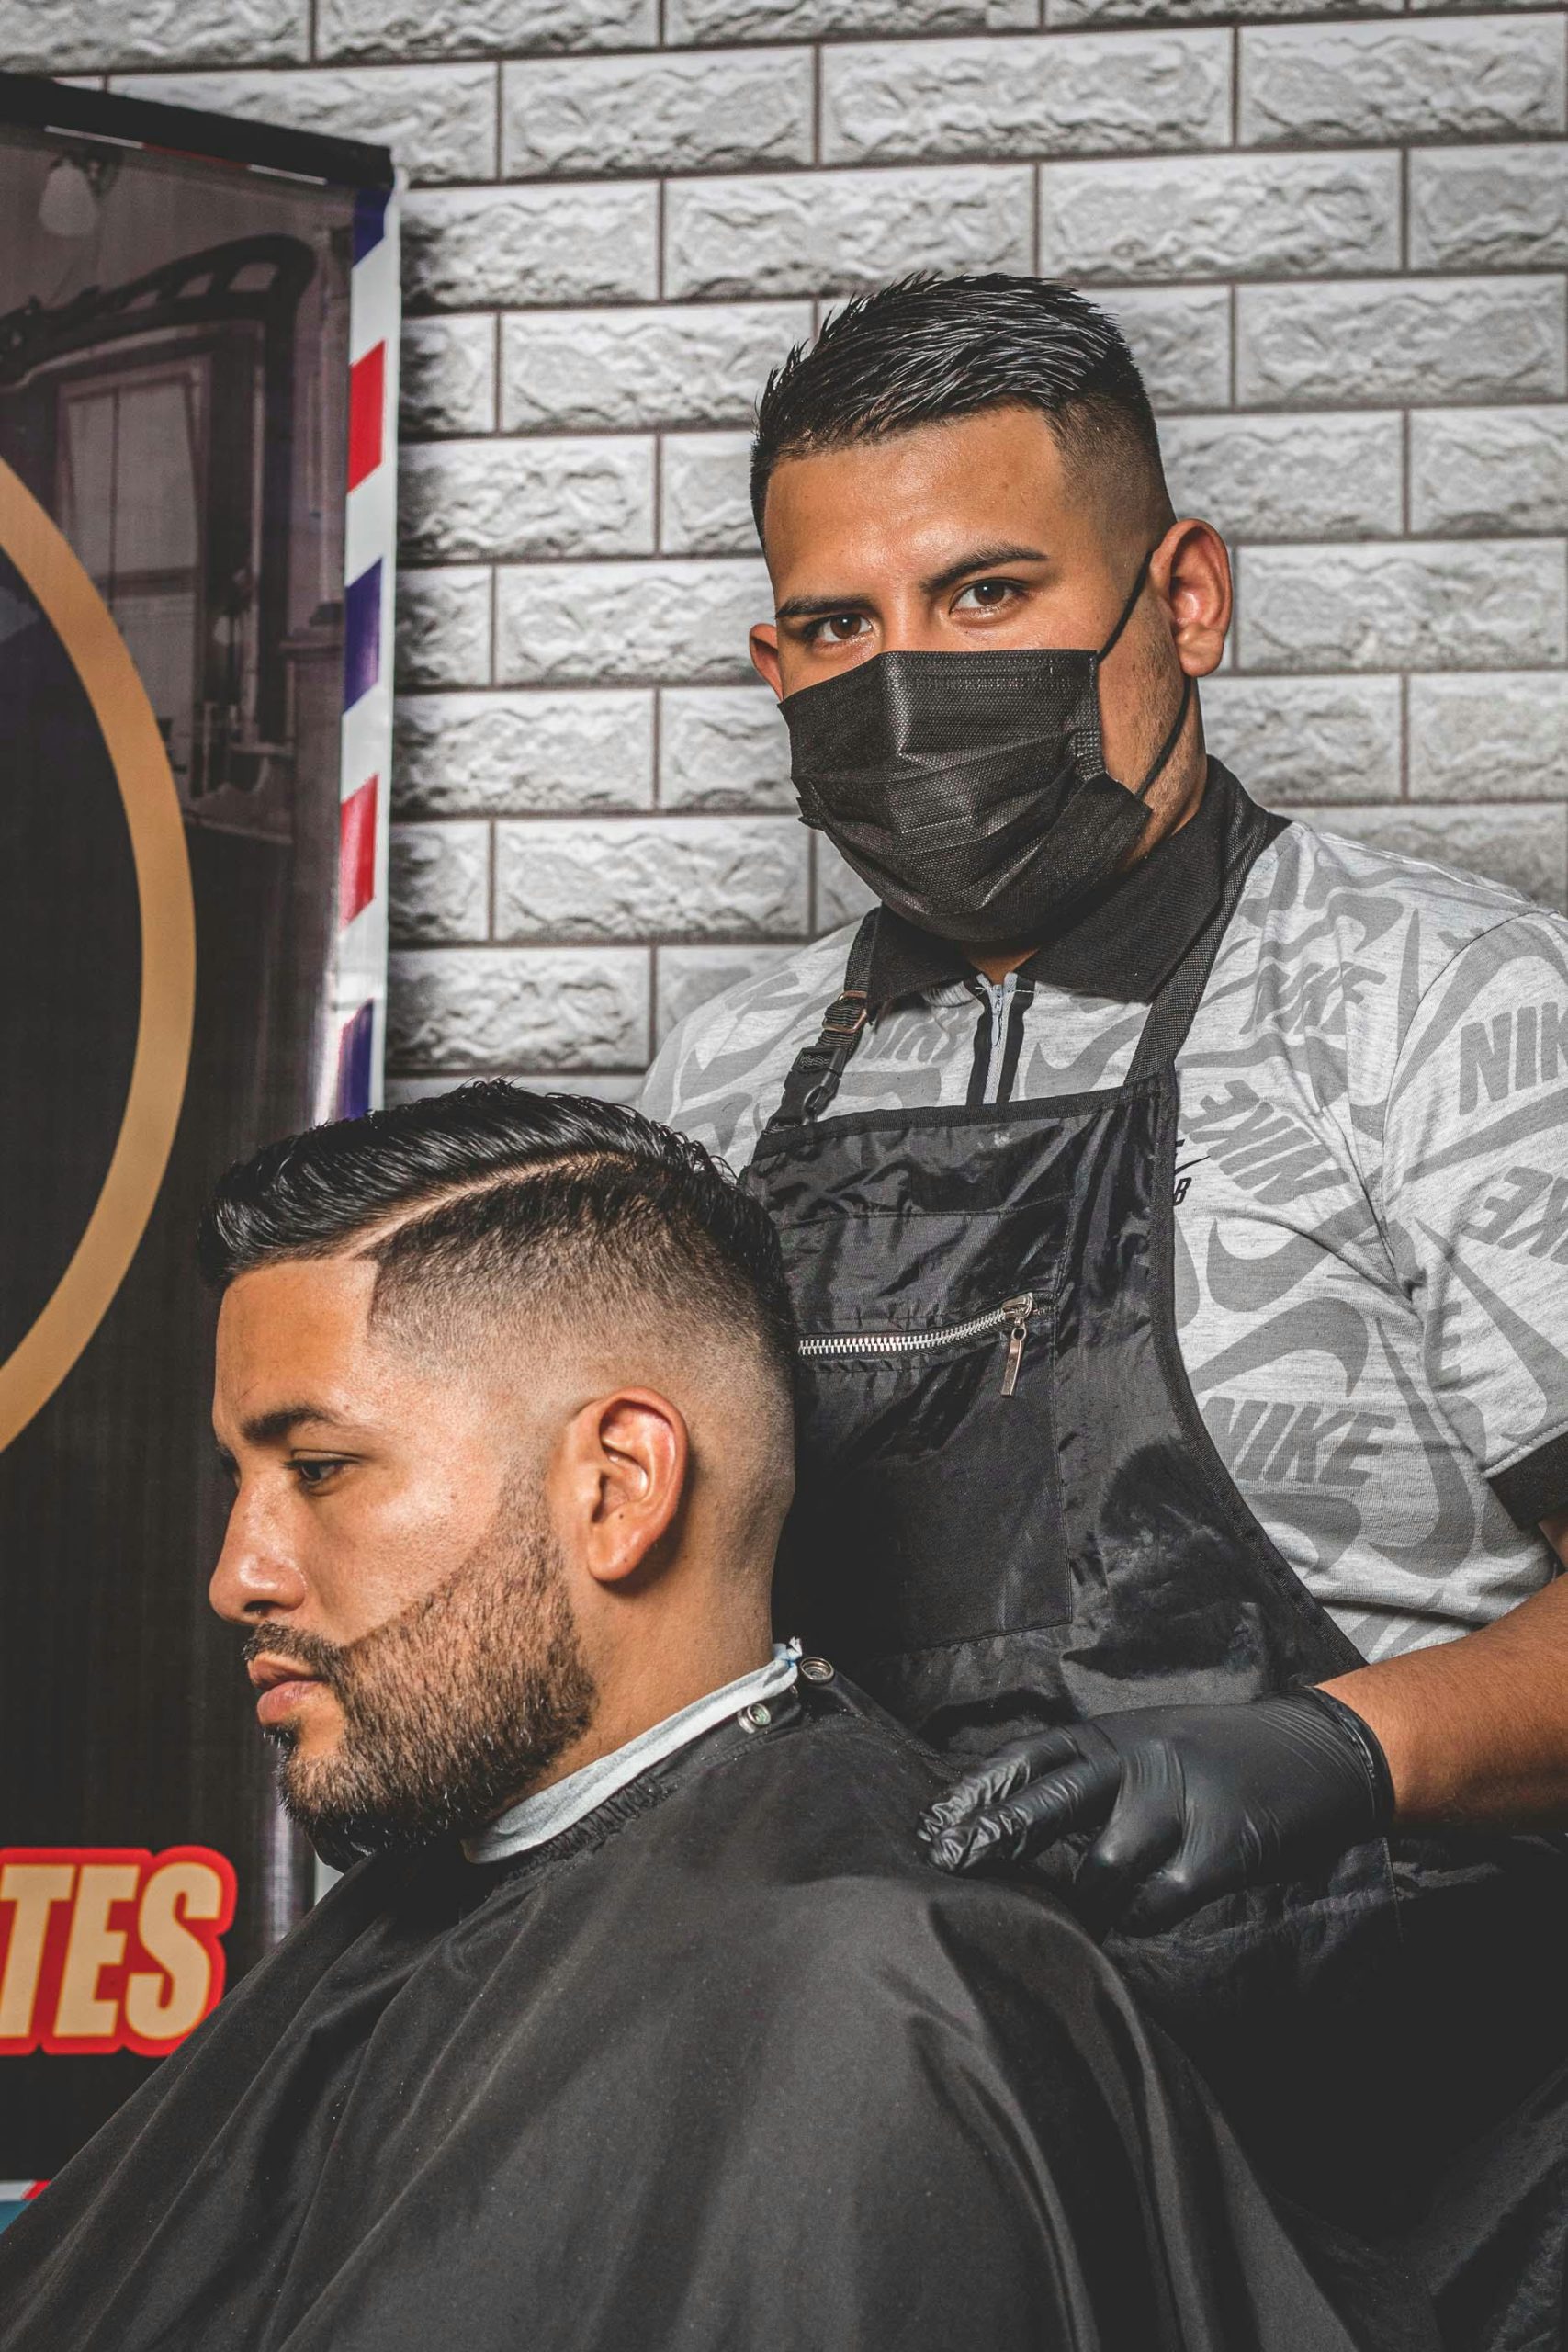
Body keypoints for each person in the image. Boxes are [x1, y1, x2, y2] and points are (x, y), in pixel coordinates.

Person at [638, 273, 1568, 2332]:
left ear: (1187, 598)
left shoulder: (1444, 1015)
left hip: (1425, 2162)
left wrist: (1324, 1755)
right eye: (837, 627)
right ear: (771, 662)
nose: (907, 685)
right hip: (901, 2143)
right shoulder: (717, 1092)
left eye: (985, 594)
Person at [0, 1087, 1414, 2352]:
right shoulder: (418, 1917)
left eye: (317, 1468)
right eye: (240, 1480)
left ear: (617, 1486)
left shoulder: (873, 2007)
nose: (237, 1574)